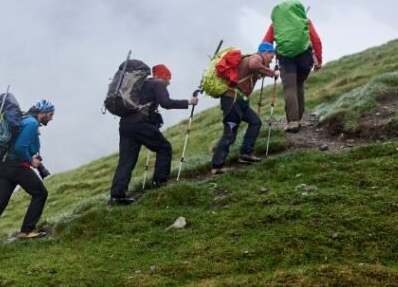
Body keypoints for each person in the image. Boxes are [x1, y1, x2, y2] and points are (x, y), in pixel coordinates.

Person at [0, 100, 55, 253]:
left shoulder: (24, 120)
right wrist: (31, 161)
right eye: (50, 114)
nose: (52, 118)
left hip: (4, 166)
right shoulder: (32, 124)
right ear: (43, 113)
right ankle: (26, 231)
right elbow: (20, 148)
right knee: (40, 193)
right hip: (16, 166)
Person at [109, 67, 196, 205]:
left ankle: (116, 196)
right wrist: (188, 102)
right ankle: (159, 183)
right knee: (164, 147)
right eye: (168, 79)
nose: (169, 83)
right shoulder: (158, 84)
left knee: (126, 161)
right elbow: (166, 103)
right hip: (140, 124)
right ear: (163, 77)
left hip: (125, 124)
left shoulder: (141, 84)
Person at [210, 43, 278, 174]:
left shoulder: (255, 59)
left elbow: (252, 71)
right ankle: (216, 166)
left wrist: (266, 71)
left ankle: (246, 154)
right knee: (230, 133)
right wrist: (272, 72)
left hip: (240, 100)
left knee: (255, 122)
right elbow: (253, 65)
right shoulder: (256, 58)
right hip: (232, 99)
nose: (272, 58)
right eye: (272, 55)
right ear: (266, 52)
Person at [262, 0, 324, 133]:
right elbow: (316, 41)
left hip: (285, 59)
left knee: (290, 88)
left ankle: (293, 122)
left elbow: (266, 43)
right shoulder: (305, 21)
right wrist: (318, 60)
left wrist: (263, 62)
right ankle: (299, 118)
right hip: (305, 58)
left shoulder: (276, 24)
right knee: (299, 85)